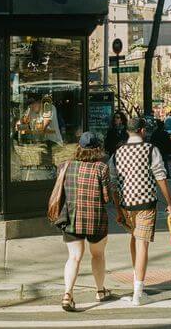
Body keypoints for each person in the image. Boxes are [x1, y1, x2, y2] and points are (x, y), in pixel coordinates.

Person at [109, 117, 171, 306]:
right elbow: (161, 176)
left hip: (126, 204)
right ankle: (138, 291)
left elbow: (113, 183)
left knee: (134, 239)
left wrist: (117, 208)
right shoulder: (150, 150)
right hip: (146, 203)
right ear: (142, 131)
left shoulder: (117, 153)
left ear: (128, 131)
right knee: (142, 244)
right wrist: (170, 203)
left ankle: (136, 282)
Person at [60, 132, 119, 312]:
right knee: (98, 255)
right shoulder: (101, 168)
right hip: (95, 219)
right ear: (97, 149)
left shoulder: (65, 166)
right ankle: (100, 291)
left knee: (74, 257)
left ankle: (67, 295)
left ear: (79, 147)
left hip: (71, 218)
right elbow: (107, 197)